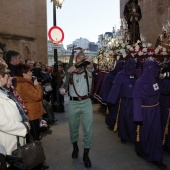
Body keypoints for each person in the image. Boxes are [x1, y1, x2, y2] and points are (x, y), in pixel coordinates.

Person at [133, 60, 170, 169]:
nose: (156, 71)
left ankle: (156, 156)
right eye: (154, 69)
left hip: (155, 111)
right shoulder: (139, 82)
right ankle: (144, 150)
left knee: (156, 133)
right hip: (145, 112)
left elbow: (161, 91)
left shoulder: (156, 81)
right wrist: (138, 117)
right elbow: (137, 100)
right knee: (145, 133)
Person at [60, 51, 94, 168]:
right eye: (79, 58)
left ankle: (86, 154)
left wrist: (76, 66)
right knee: (73, 128)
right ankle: (75, 147)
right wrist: (62, 89)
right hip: (73, 103)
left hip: (86, 102)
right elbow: (63, 85)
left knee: (88, 130)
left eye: (82, 57)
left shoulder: (88, 70)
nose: (82, 59)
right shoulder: (69, 73)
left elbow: (90, 60)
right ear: (75, 59)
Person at [0, 61, 29, 168]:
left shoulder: (4, 92)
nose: (9, 79)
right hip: (7, 142)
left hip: (14, 139)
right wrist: (24, 126)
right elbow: (2, 123)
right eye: (7, 76)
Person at [107, 59, 137, 143]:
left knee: (133, 120)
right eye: (130, 65)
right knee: (124, 120)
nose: (132, 67)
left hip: (135, 102)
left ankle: (132, 136)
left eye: (134, 65)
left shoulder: (136, 74)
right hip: (124, 102)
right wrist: (111, 100)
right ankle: (124, 136)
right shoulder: (120, 75)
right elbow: (115, 88)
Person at [102, 60, 124, 130]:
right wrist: (106, 98)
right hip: (112, 98)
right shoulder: (110, 75)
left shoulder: (122, 75)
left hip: (119, 98)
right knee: (113, 112)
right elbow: (106, 87)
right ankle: (112, 124)